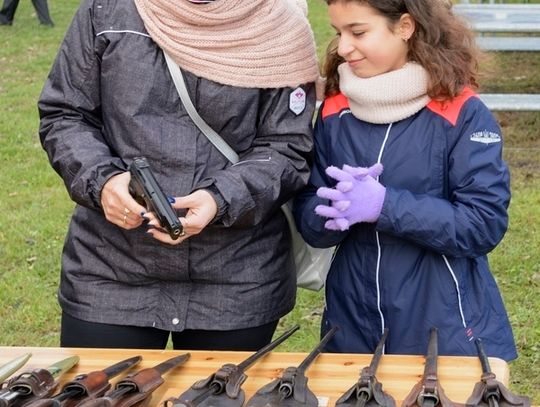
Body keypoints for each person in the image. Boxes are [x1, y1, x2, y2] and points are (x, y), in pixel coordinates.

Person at [38, 0, 318, 350]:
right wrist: (102, 181)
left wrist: (220, 199)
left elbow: (287, 146)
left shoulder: (278, 22)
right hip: (110, 269)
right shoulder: (106, 9)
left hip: (236, 279)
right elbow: (65, 113)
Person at [293, 0, 517, 361]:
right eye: (339, 33)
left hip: (444, 329)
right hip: (351, 327)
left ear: (405, 27)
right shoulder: (334, 110)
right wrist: (326, 213)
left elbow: (483, 224)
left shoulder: (463, 112)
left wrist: (385, 206)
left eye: (358, 31)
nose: (343, 47)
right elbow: (309, 216)